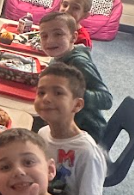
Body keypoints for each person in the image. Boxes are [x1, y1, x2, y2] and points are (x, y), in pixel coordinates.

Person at [35, 63, 107, 195]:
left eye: (58, 93)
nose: (46, 99)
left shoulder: (87, 152)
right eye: (41, 92)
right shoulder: (42, 134)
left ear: (77, 105)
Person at [39, 12, 113, 143]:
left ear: (73, 37)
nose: (50, 41)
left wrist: (70, 95)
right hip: (62, 119)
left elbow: (106, 99)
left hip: (84, 130)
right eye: (44, 36)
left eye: (58, 34)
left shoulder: (79, 63)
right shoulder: (58, 57)